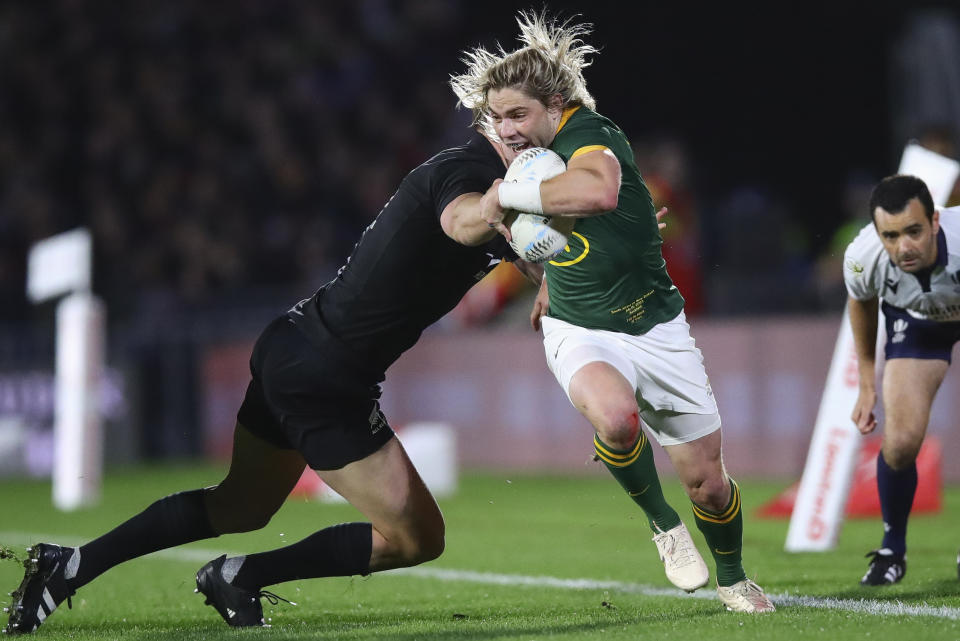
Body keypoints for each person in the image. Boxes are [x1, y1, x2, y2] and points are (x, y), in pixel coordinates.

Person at [3, 129, 542, 633]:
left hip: (294, 344)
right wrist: (496, 208)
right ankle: (245, 574)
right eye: (515, 115)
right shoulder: (471, 172)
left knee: (242, 505)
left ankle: (71, 563)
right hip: (329, 375)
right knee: (418, 538)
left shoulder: (501, 181)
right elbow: (461, 220)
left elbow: (531, 249)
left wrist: (550, 276)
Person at [450, 10, 775, 613]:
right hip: (579, 326)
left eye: (518, 114)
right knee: (618, 419)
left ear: (554, 104)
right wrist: (539, 273)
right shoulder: (516, 156)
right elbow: (494, 225)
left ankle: (733, 579)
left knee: (708, 483)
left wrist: (508, 197)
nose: (507, 129)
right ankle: (662, 526)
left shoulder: (591, 133)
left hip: (657, 327)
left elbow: (597, 193)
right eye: (496, 118)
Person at [845, 174, 960, 586]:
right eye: (891, 236)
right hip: (917, 324)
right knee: (901, 442)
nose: (903, 247)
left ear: (934, 220)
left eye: (913, 231)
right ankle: (893, 549)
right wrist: (867, 382)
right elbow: (861, 302)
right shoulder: (862, 255)